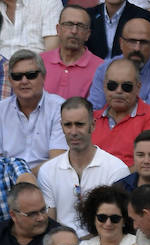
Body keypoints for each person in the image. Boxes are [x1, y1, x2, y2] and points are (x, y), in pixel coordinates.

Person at [37, 99, 129, 234]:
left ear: (93, 125)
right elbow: (49, 221)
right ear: (61, 126)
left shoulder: (116, 169)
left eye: (79, 124)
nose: (73, 131)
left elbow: (117, 222)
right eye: (68, 125)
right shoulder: (47, 171)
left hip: (104, 241)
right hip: (61, 242)